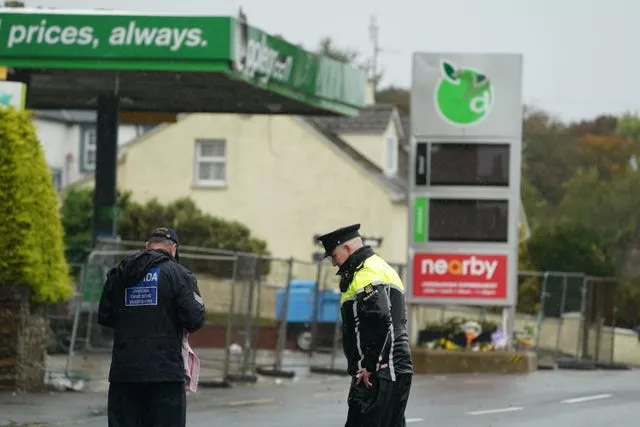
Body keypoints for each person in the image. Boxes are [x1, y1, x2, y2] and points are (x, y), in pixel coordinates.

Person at [98, 227, 206, 427]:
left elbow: (105, 316)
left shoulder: (118, 274)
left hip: (125, 374)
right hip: (165, 375)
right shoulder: (180, 275)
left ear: (147, 246)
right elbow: (195, 319)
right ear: (173, 249)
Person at [316, 223, 413, 427]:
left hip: (381, 369)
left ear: (347, 248)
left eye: (334, 255)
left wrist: (370, 365)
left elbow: (379, 319)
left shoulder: (366, 273)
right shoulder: (374, 268)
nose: (334, 263)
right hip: (387, 367)